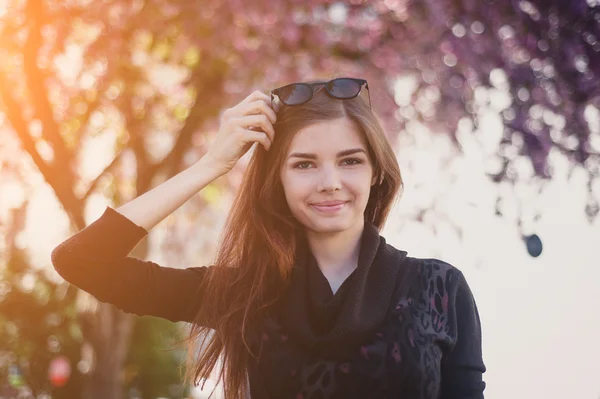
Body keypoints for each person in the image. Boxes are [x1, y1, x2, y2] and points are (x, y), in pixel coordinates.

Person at [51, 77, 486, 399]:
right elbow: (82, 261)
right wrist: (210, 165)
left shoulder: (440, 289)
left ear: (377, 173)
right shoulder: (245, 294)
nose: (330, 182)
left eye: (350, 161)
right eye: (304, 164)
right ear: (275, 180)